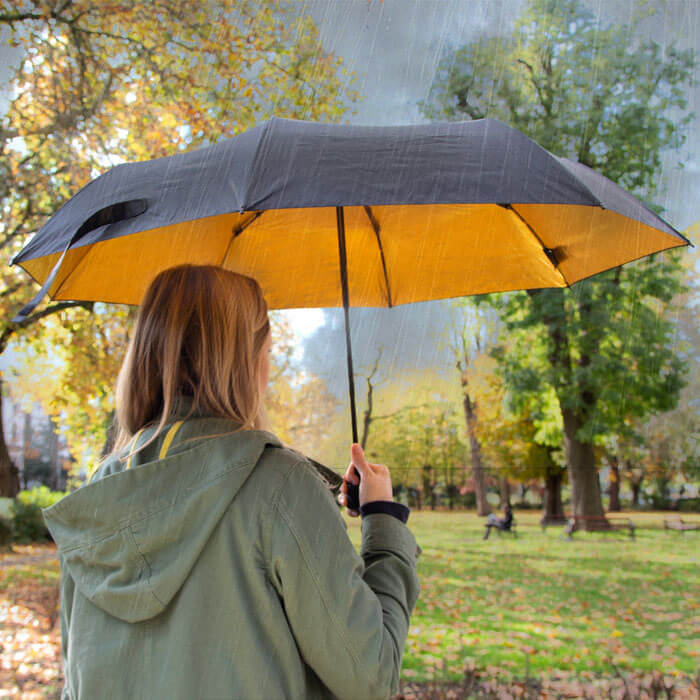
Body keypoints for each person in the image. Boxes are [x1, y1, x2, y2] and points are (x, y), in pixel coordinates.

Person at [43, 265, 420, 700]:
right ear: (246, 359)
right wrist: (384, 524)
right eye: (267, 348)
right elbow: (369, 676)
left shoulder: (98, 496)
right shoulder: (282, 488)